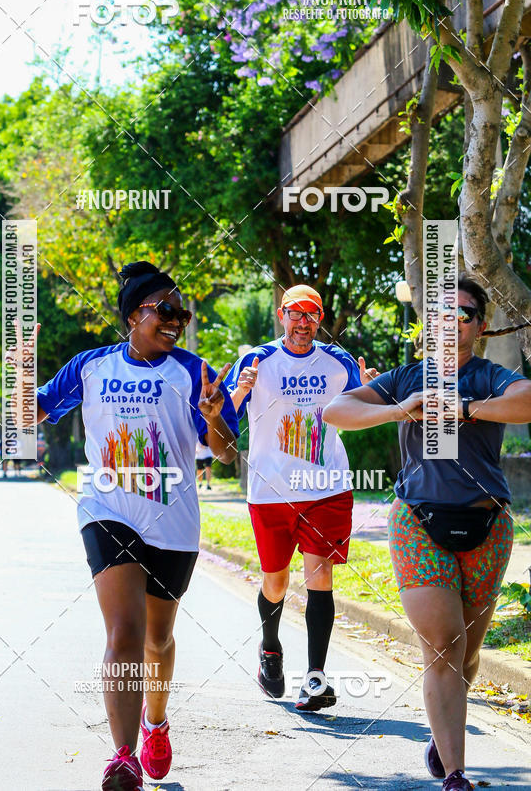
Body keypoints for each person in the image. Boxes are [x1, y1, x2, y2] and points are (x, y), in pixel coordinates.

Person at [35, 261, 239, 791]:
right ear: (133, 315)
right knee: (123, 632)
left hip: (173, 521)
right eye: (165, 311)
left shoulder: (194, 371)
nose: (176, 322)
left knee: (157, 638)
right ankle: (123, 756)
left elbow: (226, 455)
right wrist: (18, 364)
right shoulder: (91, 367)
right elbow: (25, 413)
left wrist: (215, 416)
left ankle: (155, 721)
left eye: (182, 314)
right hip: (108, 510)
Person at [322, 274, 531, 791]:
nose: (452, 325)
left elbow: (527, 401)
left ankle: (443, 734)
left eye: (463, 315)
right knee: (442, 646)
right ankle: (457, 775)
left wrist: (461, 408)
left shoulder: (489, 376)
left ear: (479, 327)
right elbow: (335, 410)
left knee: (467, 652)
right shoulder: (406, 377)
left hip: (488, 525)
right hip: (419, 521)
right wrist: (400, 409)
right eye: (442, 316)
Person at [226, 284, 378, 711]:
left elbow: (367, 410)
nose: (303, 322)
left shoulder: (339, 362)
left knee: (320, 579)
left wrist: (371, 389)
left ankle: (315, 679)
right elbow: (221, 421)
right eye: (296, 313)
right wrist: (239, 390)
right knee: (276, 583)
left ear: (320, 318)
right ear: (281, 315)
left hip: (325, 488)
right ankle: (270, 647)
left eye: (311, 314)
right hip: (271, 491)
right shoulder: (257, 359)